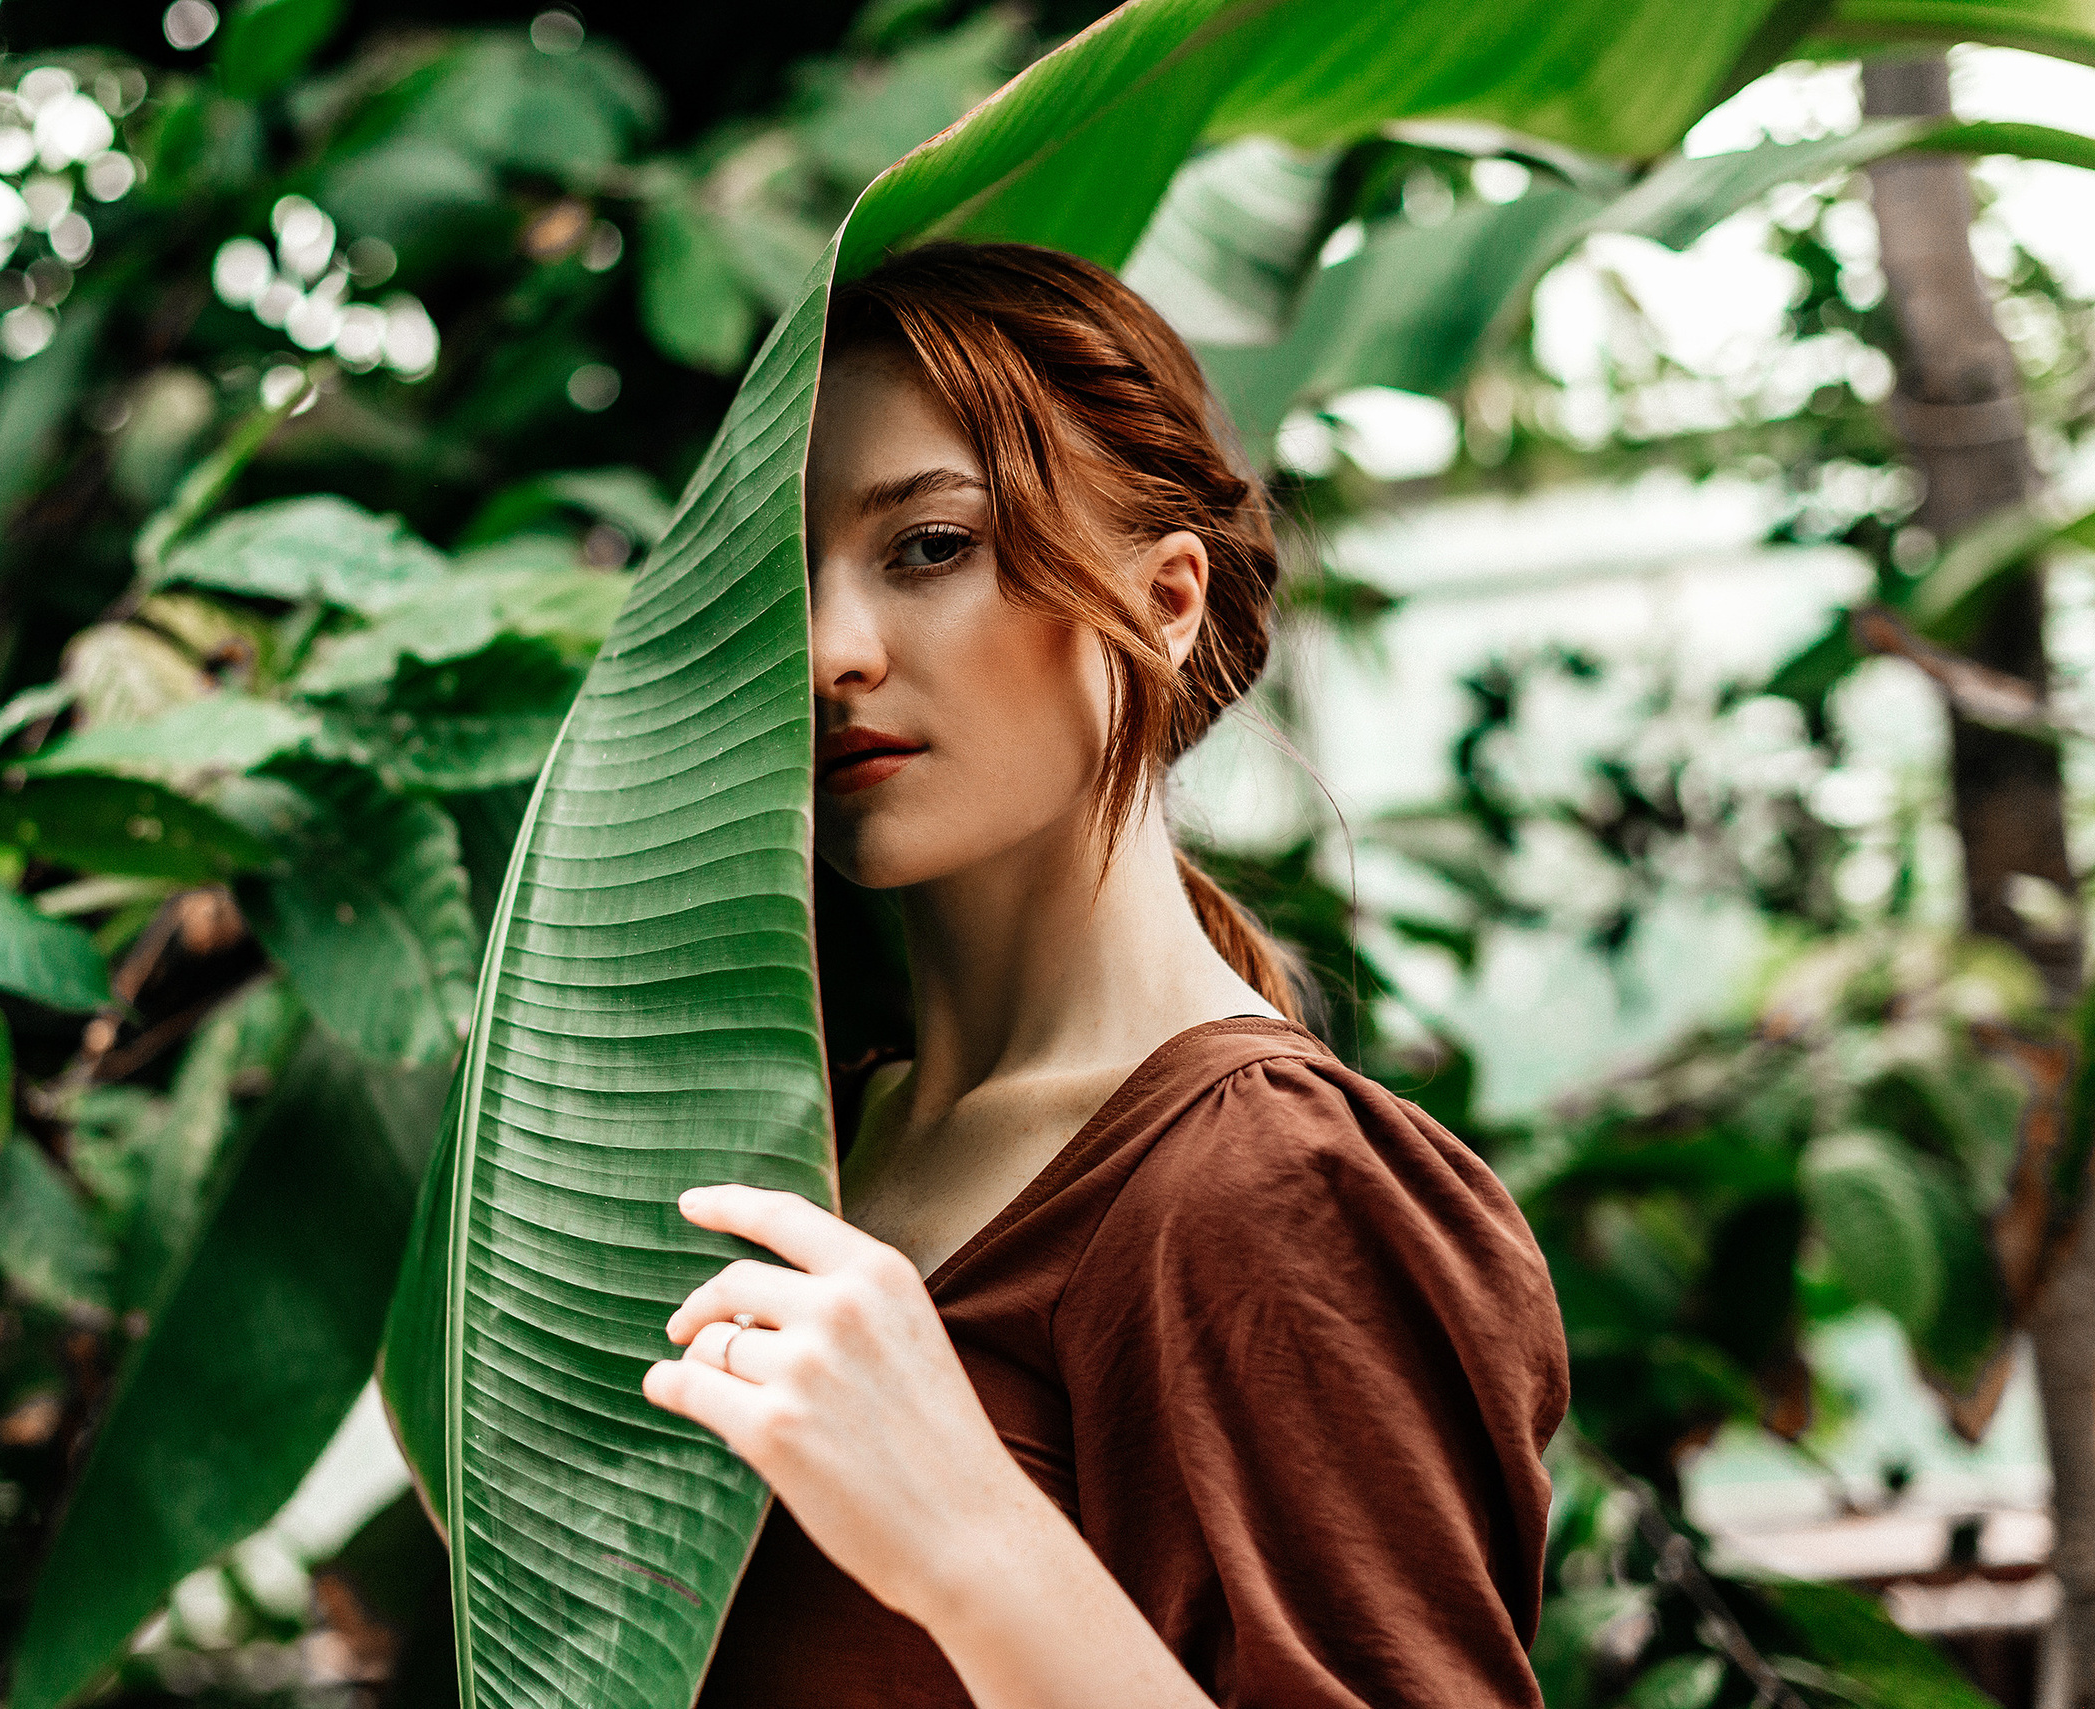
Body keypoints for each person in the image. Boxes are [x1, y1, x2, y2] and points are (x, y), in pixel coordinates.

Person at [639, 242, 1569, 1709]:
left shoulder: (1266, 1180)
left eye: (931, 546)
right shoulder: (804, 1140)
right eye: (776, 582)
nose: (829, 649)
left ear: (1172, 596)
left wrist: (973, 1540)